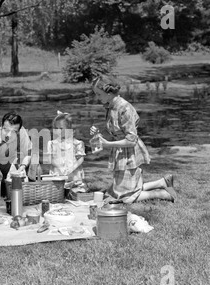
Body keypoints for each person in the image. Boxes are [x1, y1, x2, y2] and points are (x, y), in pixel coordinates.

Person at [90, 75, 177, 204]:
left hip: (129, 152)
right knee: (118, 191)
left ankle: (163, 194)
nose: (97, 97)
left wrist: (107, 144)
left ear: (108, 93)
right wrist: (98, 133)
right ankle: (163, 182)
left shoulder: (124, 108)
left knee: (125, 197)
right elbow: (117, 130)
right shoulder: (110, 106)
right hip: (121, 151)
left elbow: (131, 140)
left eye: (98, 94)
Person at [0, 112, 33, 197]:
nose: (9, 135)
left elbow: (28, 153)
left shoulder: (21, 132)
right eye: (6, 130)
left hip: (10, 169)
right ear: (1, 126)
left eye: (14, 131)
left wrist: (22, 167)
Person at [47, 111, 86, 187]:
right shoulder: (52, 144)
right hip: (58, 171)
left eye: (61, 129)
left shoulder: (77, 143)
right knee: (58, 189)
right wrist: (59, 167)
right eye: (56, 128)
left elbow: (80, 158)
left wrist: (72, 168)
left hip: (73, 172)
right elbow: (50, 158)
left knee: (74, 189)